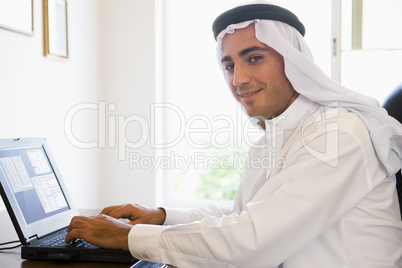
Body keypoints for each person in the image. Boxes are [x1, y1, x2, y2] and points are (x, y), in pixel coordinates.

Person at [66, 2, 402, 267]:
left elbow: (252, 240)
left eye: (254, 58)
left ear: (294, 62)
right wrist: (162, 217)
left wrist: (130, 237)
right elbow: (243, 216)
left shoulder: (340, 134)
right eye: (229, 65)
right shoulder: (271, 139)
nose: (238, 80)